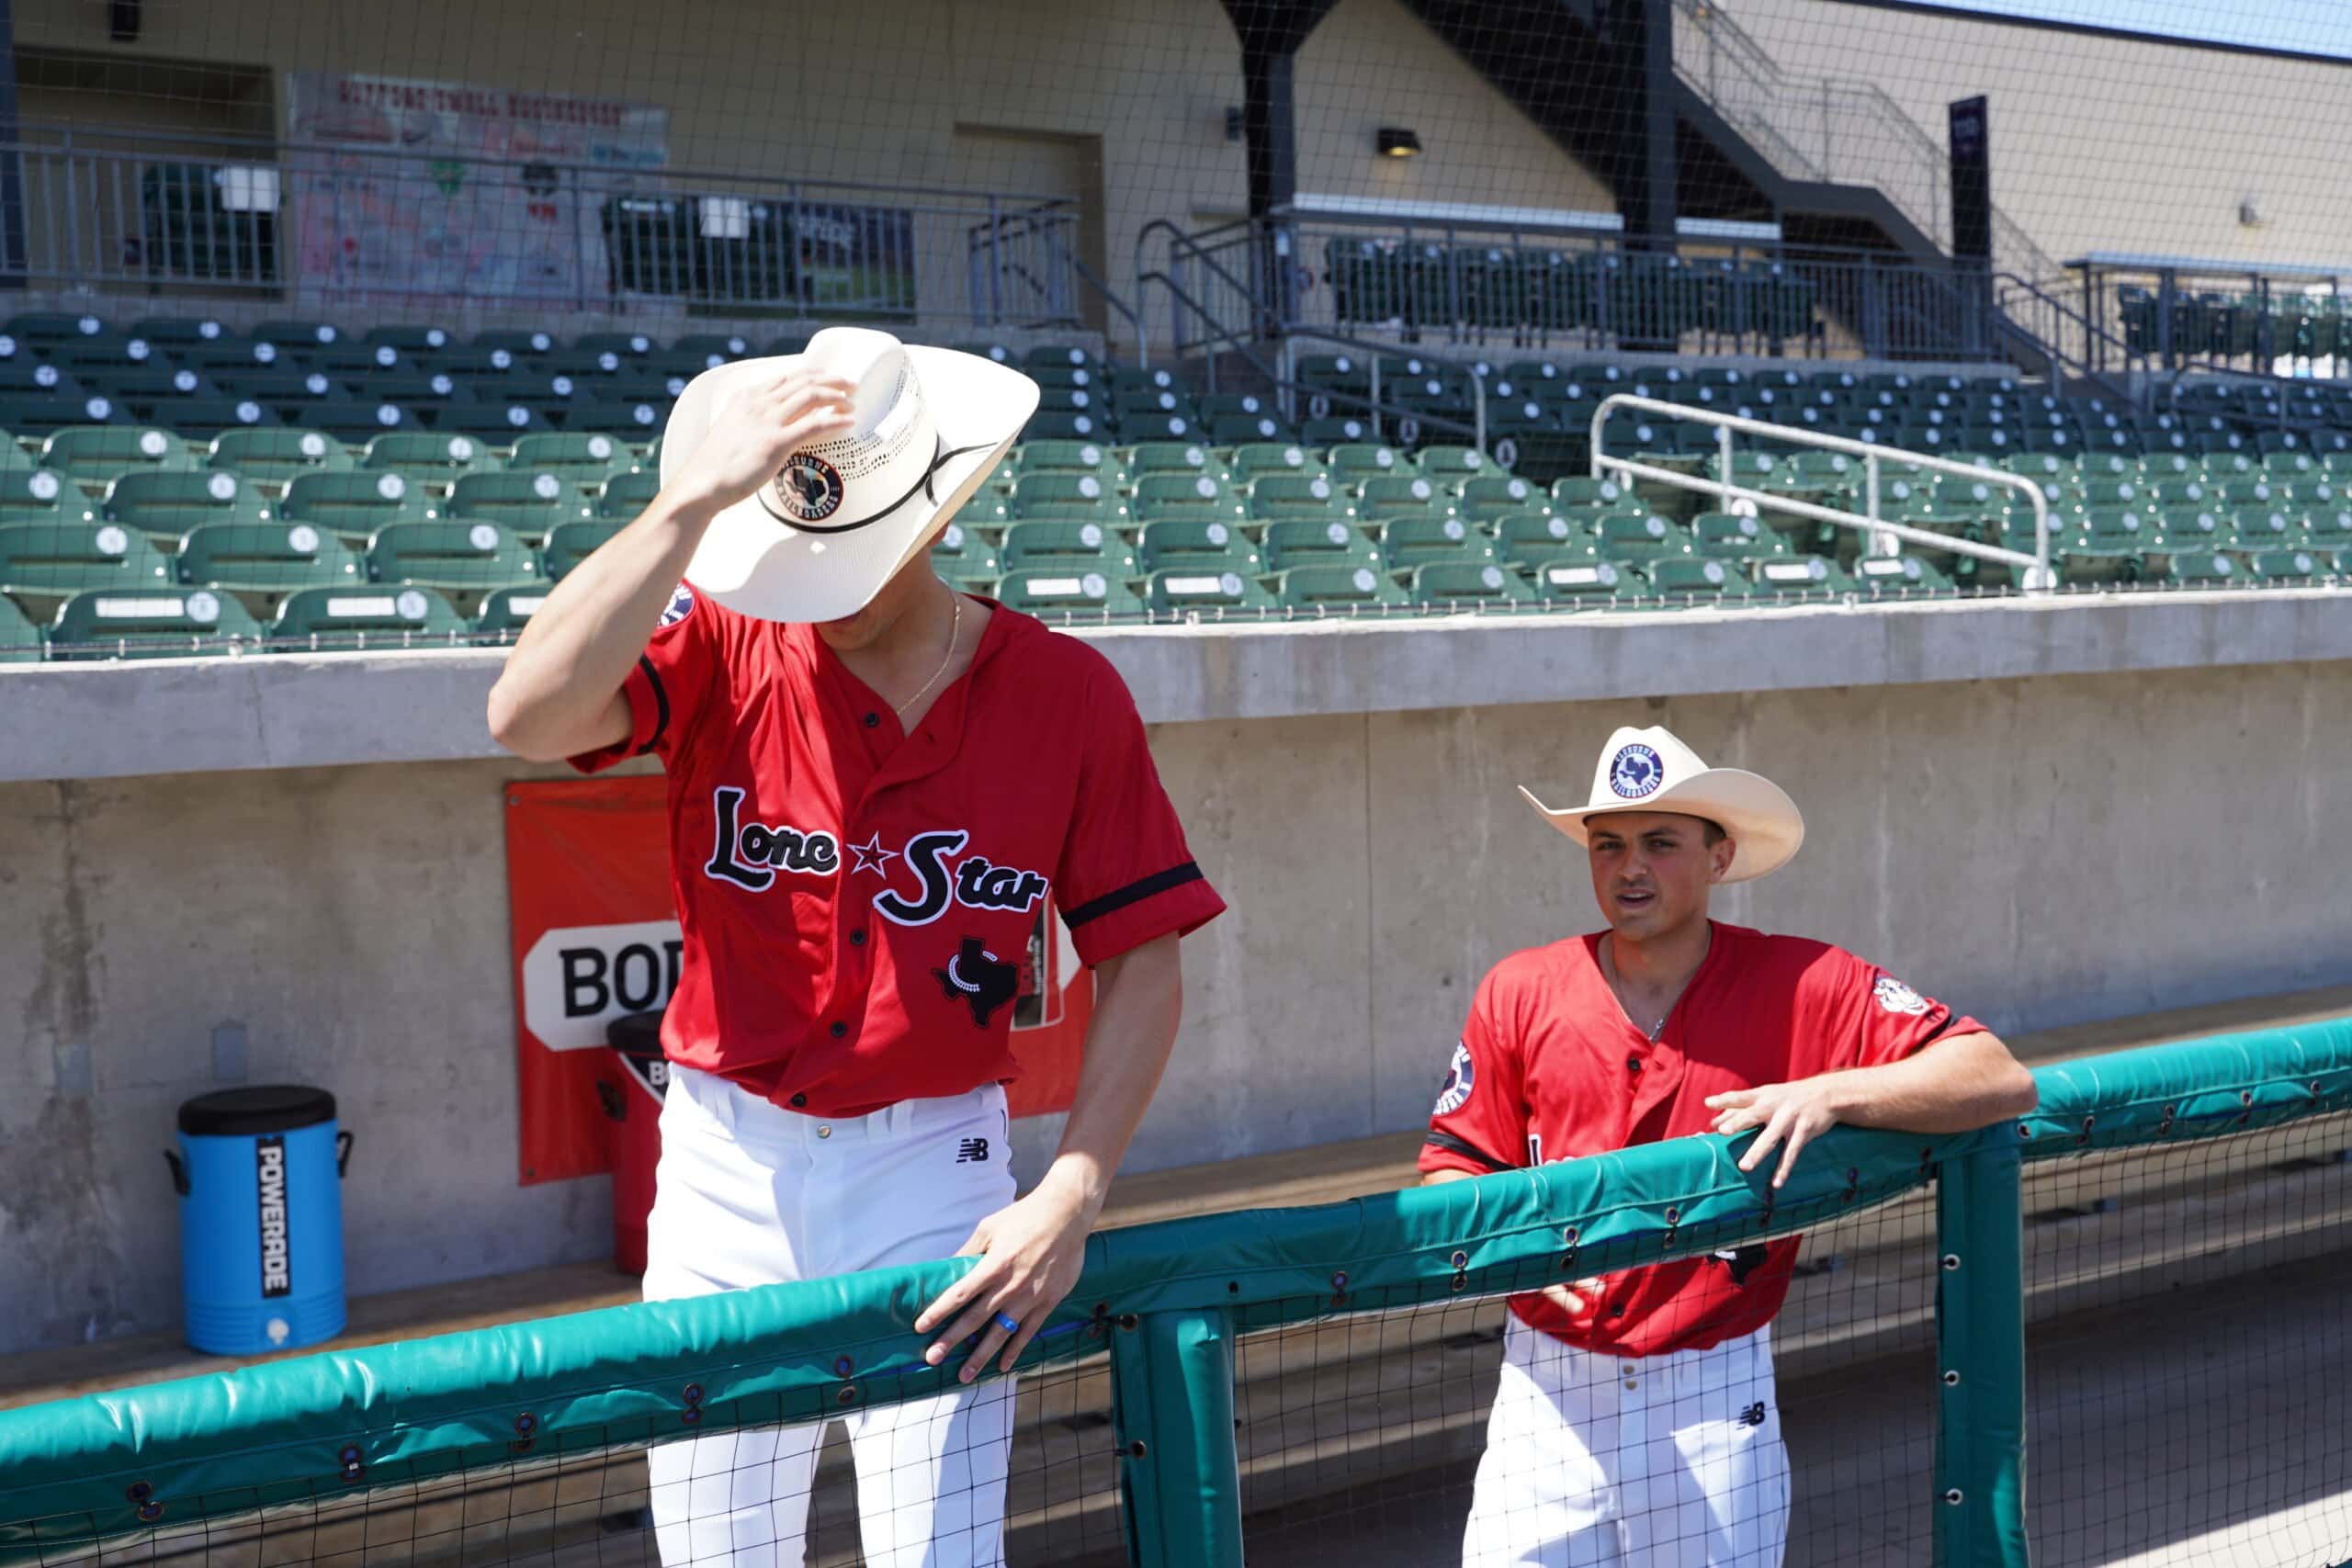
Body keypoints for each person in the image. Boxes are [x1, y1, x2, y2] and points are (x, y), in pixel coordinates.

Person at [487, 327, 1226, 1566]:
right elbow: (526, 711)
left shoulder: (1065, 694)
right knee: (723, 1553)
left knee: (939, 1554)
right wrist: (692, 498)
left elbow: (1146, 952)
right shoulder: (725, 633)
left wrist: (1076, 1185)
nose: (817, 582)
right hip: (725, 1160)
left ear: (934, 513)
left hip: (934, 1164)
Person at [1419, 725, 2038, 1568]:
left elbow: (1996, 1074)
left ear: (1719, 856)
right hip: (1545, 1393)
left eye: (1660, 843)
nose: (1630, 867)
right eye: (1609, 845)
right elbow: (1451, 1164)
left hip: (1710, 1392)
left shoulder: (1803, 981)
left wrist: (1833, 1088)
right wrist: (1513, 1251)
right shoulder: (1520, 987)